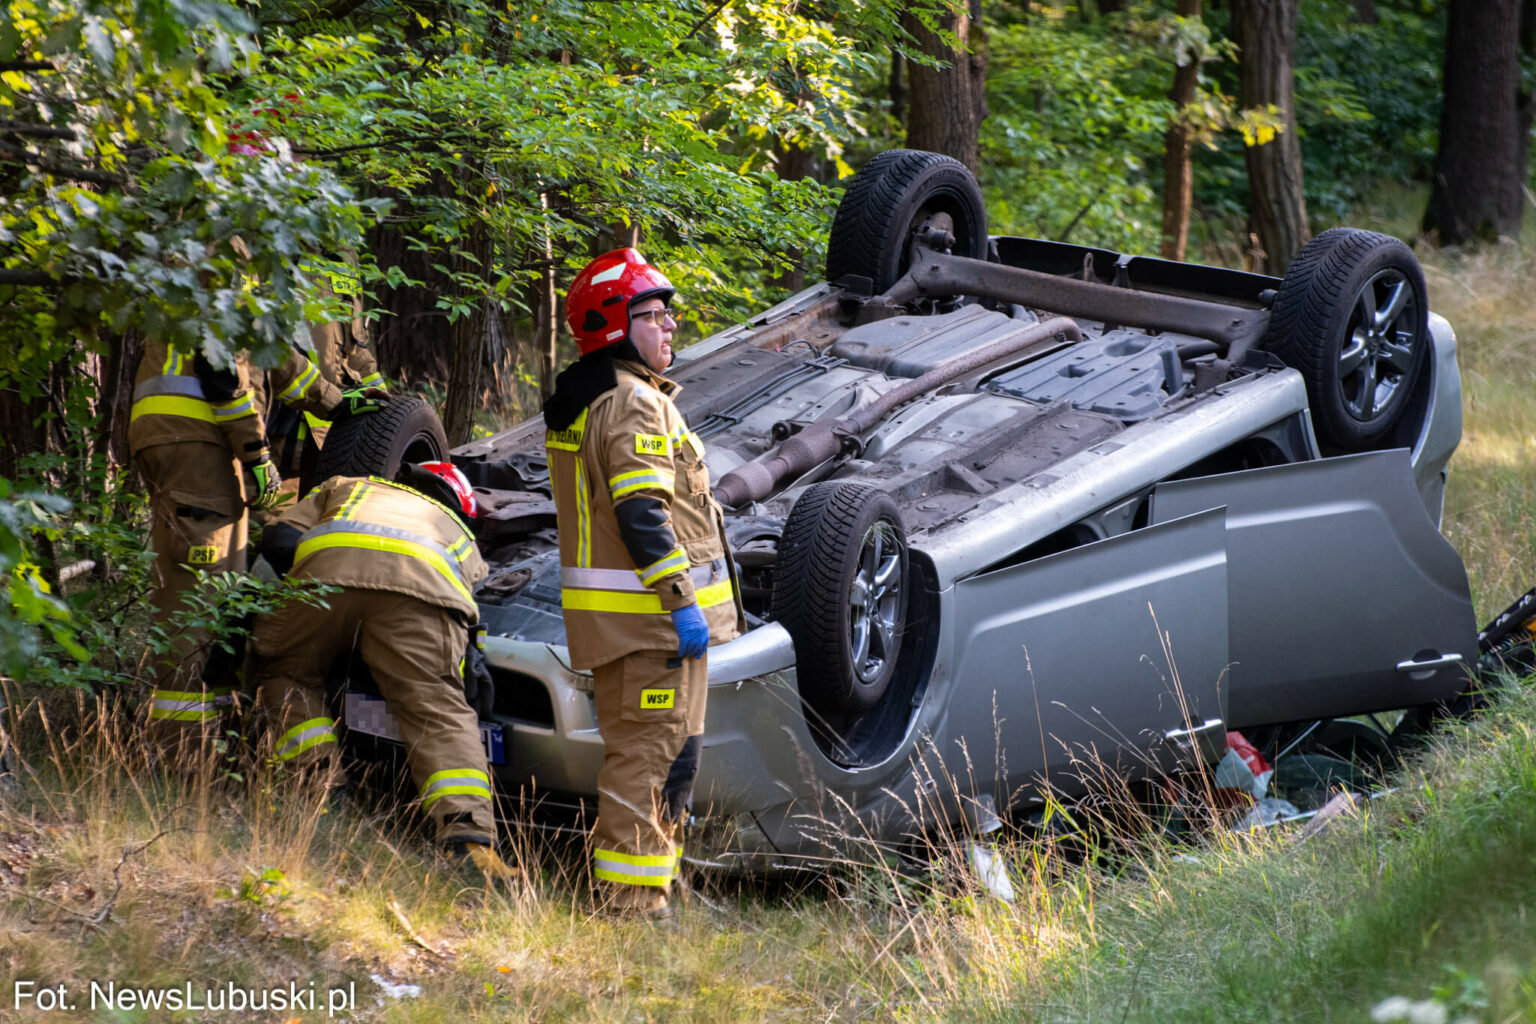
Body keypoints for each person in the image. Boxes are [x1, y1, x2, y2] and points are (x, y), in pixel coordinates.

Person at [543, 248, 744, 917]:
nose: (668, 328)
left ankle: (655, 887)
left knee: (669, 759)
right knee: (649, 762)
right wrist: (682, 604)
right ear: (611, 326)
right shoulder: (633, 404)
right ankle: (631, 904)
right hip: (651, 626)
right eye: (651, 315)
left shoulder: (605, 397)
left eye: (668, 315)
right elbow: (642, 514)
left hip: (643, 627)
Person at [250, 462, 513, 879]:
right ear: (463, 509)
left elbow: (279, 538)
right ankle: (470, 844)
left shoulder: (348, 486)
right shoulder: (460, 534)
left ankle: (319, 792)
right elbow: (464, 608)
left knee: (285, 672)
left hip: (325, 576)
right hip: (417, 595)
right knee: (437, 709)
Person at [129, 339, 343, 759]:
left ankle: (220, 738)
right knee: (197, 602)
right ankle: (185, 755)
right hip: (203, 440)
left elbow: (279, 358)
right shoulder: (233, 281)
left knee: (209, 591)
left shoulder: (195, 279)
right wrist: (257, 454)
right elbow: (223, 377)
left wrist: (338, 399)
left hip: (173, 437)